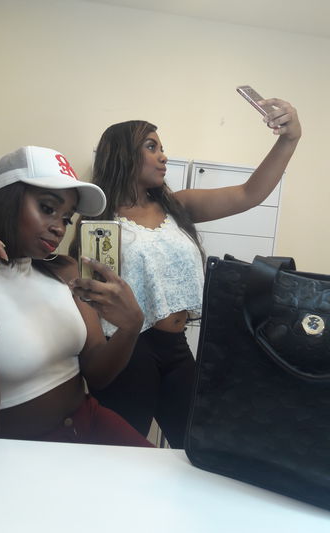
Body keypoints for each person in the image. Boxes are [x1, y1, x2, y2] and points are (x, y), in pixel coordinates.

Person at [70, 97, 302, 449]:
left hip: (176, 348)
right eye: (151, 147)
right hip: (129, 350)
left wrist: (288, 138)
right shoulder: (99, 221)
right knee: (120, 456)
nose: (163, 156)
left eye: (162, 148)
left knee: (198, 447)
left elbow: (249, 193)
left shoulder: (178, 206)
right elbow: (88, 295)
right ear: (122, 154)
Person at [0, 145, 154, 447]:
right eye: (48, 208)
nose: (59, 228)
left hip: (89, 422)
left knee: (168, 475)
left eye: (67, 218)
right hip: (19, 449)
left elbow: (97, 374)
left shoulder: (66, 271)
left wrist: (130, 327)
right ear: (6, 202)